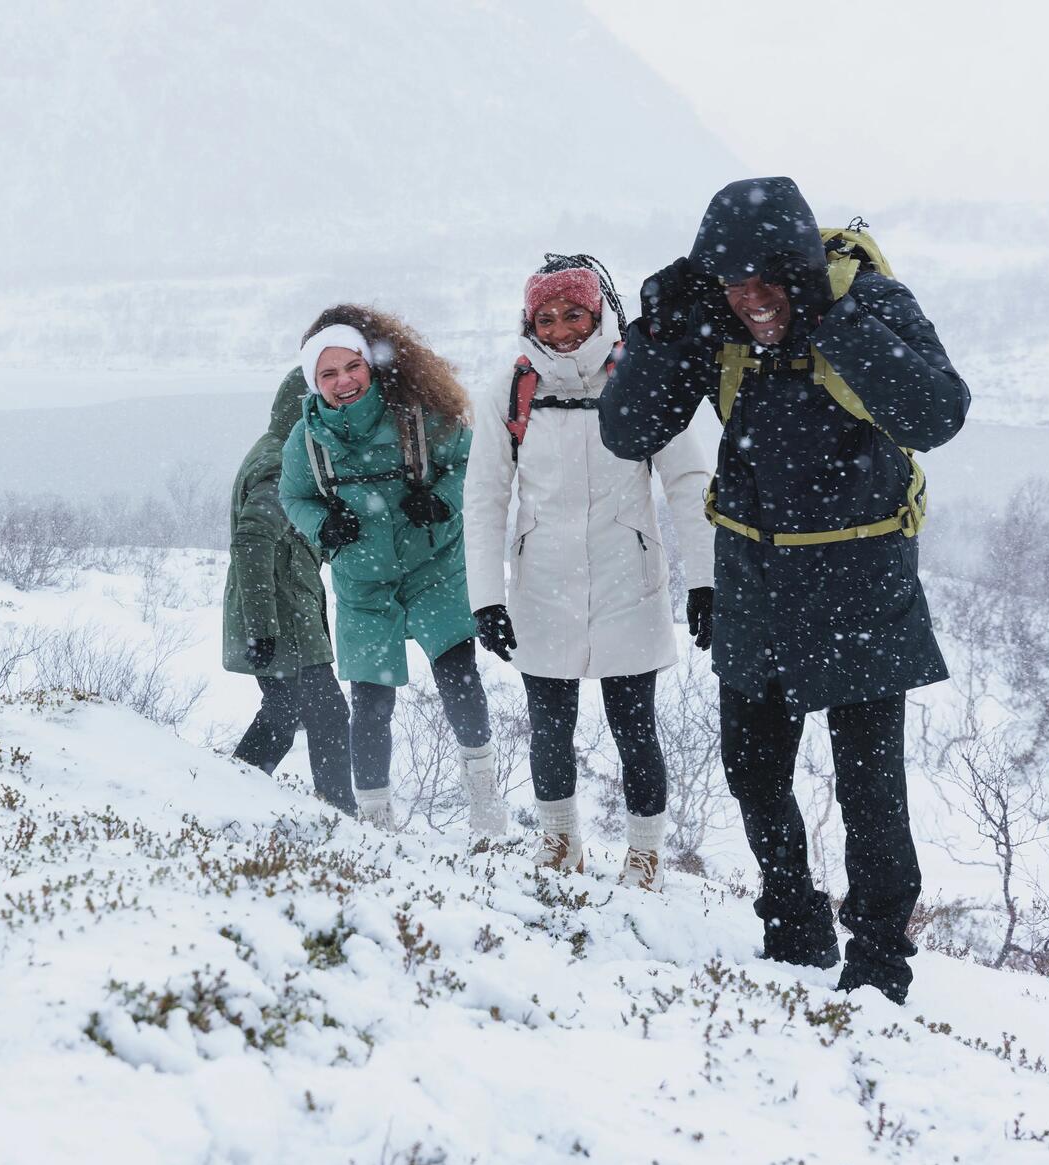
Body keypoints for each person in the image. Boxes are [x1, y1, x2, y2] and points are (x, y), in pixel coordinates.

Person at [599, 177, 969, 1004]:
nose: (754, 301)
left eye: (771, 281)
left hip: (860, 580)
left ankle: (877, 959)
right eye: (735, 284)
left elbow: (937, 413)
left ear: (803, 267)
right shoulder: (714, 318)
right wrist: (657, 331)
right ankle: (792, 916)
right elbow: (628, 431)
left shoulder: (868, 302)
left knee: (871, 788)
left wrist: (834, 324)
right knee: (752, 766)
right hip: (757, 581)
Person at [462, 255, 714, 890]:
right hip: (541, 584)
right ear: (531, 323)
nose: (562, 328)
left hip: (628, 579)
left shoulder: (637, 378)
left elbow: (688, 482)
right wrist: (487, 598)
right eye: (546, 318)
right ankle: (558, 844)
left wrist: (708, 581)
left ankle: (644, 856)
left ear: (599, 310)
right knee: (548, 730)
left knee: (636, 730)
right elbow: (484, 498)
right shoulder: (511, 390)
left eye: (574, 313)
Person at [277, 306, 505, 838]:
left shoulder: (416, 417)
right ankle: (376, 821)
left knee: (460, 681)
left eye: (351, 367)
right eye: (328, 375)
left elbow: (473, 462)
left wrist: (443, 500)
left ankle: (486, 803)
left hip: (435, 569)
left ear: (370, 365)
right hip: (363, 585)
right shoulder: (306, 441)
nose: (343, 382)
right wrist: (321, 527)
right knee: (371, 704)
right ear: (314, 383)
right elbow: (294, 495)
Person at [222, 368, 358, 817]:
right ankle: (340, 815)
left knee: (285, 712)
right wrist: (262, 630)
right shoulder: (284, 460)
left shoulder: (285, 449)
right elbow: (252, 539)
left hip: (286, 610)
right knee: (325, 716)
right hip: (283, 617)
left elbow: (292, 539)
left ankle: (232, 791)